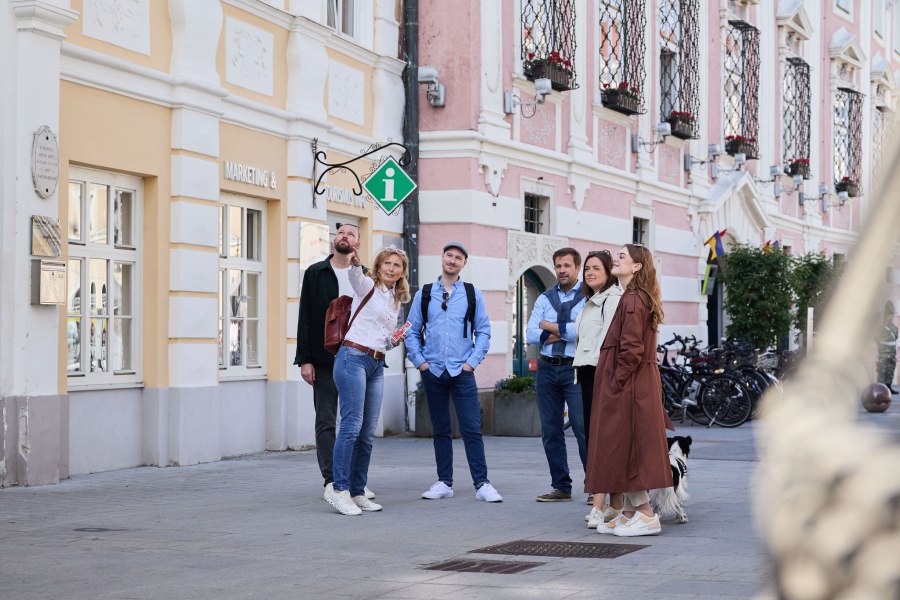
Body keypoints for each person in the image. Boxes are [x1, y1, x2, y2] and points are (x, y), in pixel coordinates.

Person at [588, 244, 674, 537]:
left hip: (630, 385)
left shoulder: (634, 299)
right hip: (632, 382)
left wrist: (616, 381)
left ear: (637, 266)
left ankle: (646, 514)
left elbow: (632, 349)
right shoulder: (635, 297)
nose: (616, 258)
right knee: (624, 446)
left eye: (622, 256)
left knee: (627, 446)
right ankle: (629, 512)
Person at [406, 242, 502, 503]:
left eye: (458, 257)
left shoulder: (472, 294)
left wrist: (471, 363)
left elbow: (483, 331)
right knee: (440, 429)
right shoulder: (424, 294)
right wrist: (421, 363)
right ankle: (444, 482)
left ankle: (482, 484)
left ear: (464, 264)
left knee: (471, 428)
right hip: (433, 370)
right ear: (442, 258)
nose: (452, 260)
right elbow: (411, 331)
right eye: (449, 255)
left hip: (462, 371)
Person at [324, 246, 411, 516]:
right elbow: (354, 277)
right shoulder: (367, 286)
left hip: (376, 363)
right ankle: (339, 490)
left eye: (397, 265)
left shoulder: (395, 300)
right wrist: (355, 263)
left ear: (402, 272)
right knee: (351, 425)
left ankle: (358, 491)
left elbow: (384, 338)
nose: (391, 268)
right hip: (353, 357)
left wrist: (394, 341)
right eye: (387, 263)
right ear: (379, 265)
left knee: (368, 433)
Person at [294, 223, 373, 500]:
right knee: (327, 420)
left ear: (358, 244)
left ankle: (352, 480)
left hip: (359, 357)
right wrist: (304, 359)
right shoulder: (316, 273)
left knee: (356, 422)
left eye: (351, 234)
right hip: (325, 358)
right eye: (340, 233)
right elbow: (305, 317)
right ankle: (331, 480)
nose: (344, 236)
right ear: (333, 240)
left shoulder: (365, 276)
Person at [527, 247, 587, 502]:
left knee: (583, 427)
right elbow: (530, 334)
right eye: (558, 266)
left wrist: (549, 329)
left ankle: (595, 487)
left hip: (575, 367)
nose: (562, 270)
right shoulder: (544, 298)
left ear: (577, 267)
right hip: (547, 367)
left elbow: (584, 329)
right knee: (551, 429)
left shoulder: (588, 296)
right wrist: (565, 331)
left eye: (567, 266)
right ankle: (561, 486)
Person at [572, 251, 624, 527]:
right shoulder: (590, 301)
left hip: (600, 372)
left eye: (596, 268)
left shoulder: (611, 299)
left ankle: (605, 504)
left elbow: (609, 341)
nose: (590, 273)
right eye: (587, 269)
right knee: (595, 438)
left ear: (608, 272)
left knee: (601, 439)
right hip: (587, 372)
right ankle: (612, 504)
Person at [876, 300, 898, 394]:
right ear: (885, 315)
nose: (891, 317)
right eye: (890, 315)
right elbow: (876, 339)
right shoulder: (880, 327)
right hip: (883, 352)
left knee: (890, 370)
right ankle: (881, 389)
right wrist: (880, 351)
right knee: (882, 371)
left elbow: (895, 338)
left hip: (892, 352)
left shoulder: (894, 327)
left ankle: (889, 388)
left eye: (892, 315)